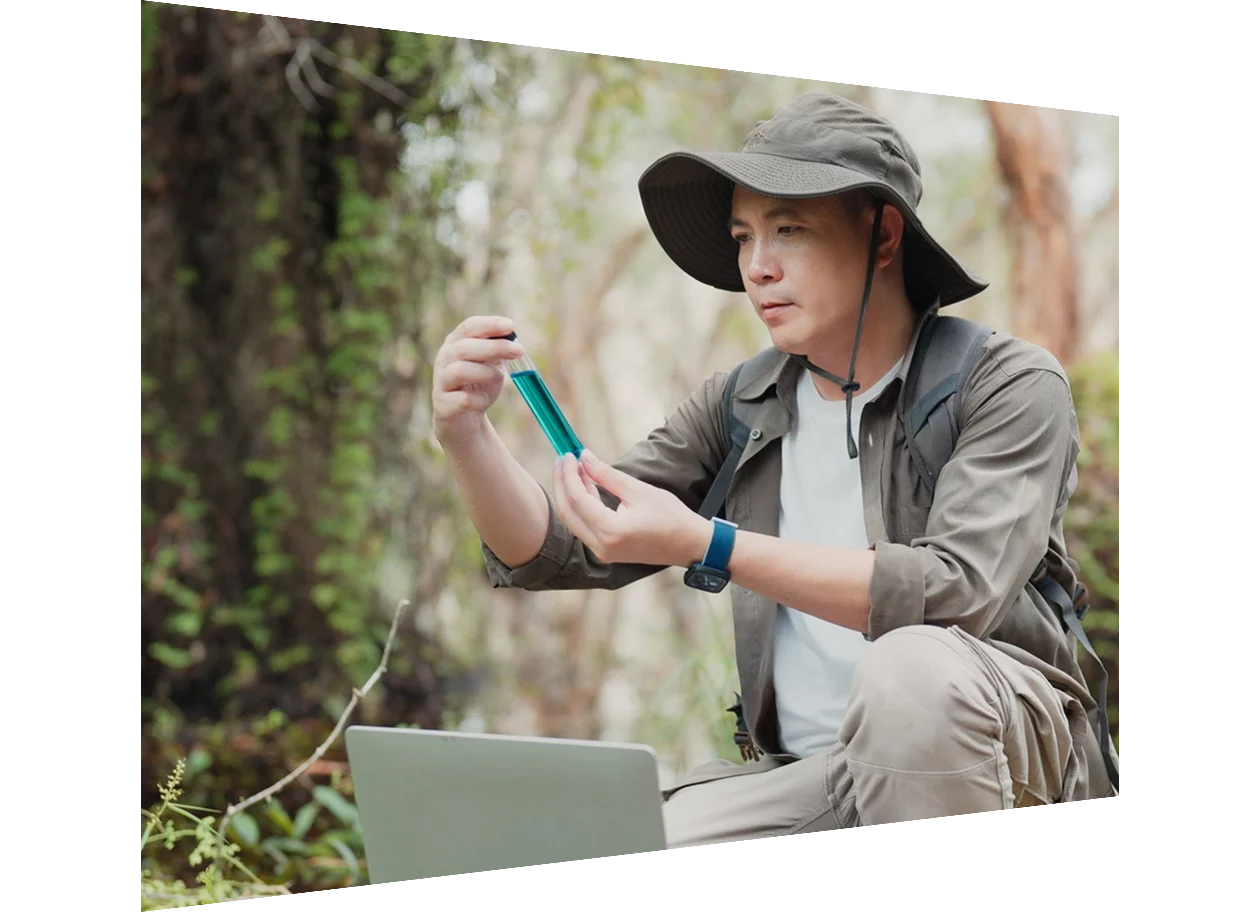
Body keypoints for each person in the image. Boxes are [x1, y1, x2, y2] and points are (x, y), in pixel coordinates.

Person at [430, 93, 1119, 843]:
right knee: (620, 839)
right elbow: (565, 546)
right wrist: (466, 436)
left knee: (911, 674)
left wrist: (710, 544)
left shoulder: (1007, 384)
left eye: (789, 230)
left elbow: (953, 592)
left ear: (882, 234)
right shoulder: (743, 401)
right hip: (811, 774)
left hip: (994, 760)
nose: (757, 268)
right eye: (743, 236)